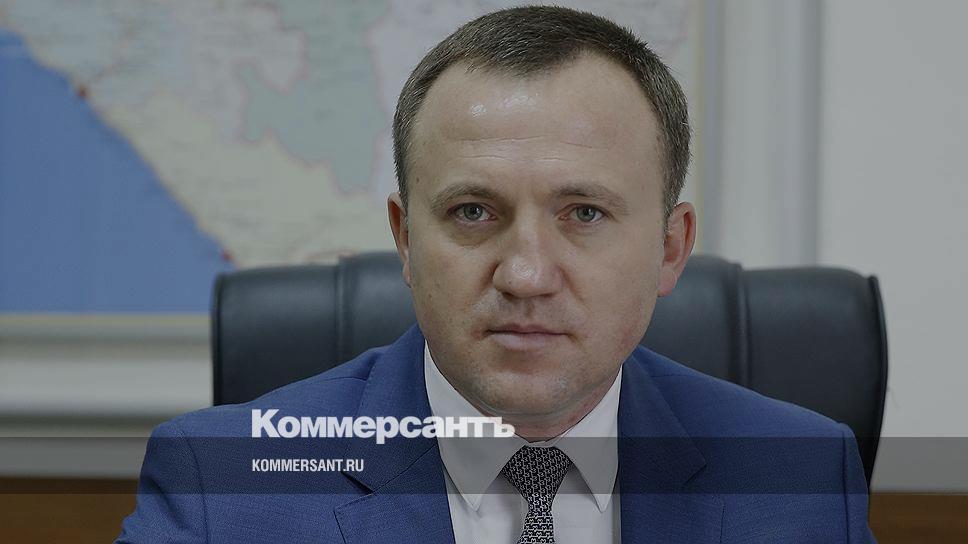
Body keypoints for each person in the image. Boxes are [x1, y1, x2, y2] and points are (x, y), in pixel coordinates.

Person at [117, 6, 876, 543]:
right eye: (474, 212)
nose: (526, 274)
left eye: (584, 213)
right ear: (405, 240)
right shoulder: (224, 488)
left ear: (671, 249)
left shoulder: (802, 479)